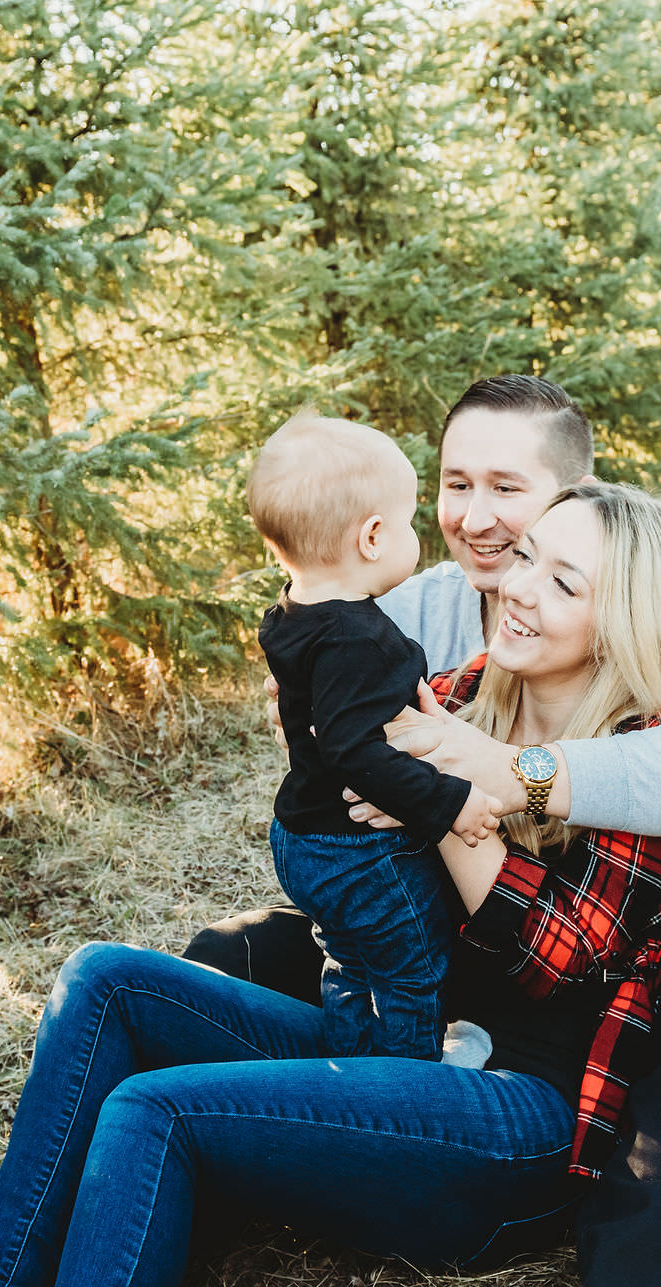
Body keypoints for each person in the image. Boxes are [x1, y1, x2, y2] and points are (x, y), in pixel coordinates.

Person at [0, 375, 661, 1287]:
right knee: (123, 977)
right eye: (454, 483)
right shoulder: (443, 638)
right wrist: (393, 773)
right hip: (434, 996)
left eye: (510, 492)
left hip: (572, 1031)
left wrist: (482, 787)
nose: (485, 535)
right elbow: (328, 720)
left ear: (571, 497)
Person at [248, 411, 500, 1061]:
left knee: (349, 963)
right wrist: (450, 800)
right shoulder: (362, 638)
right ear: (372, 536)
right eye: (412, 521)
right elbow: (353, 748)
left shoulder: (290, 613)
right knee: (411, 972)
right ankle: (406, 1092)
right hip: (358, 851)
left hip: (298, 835)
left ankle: (348, 1063)